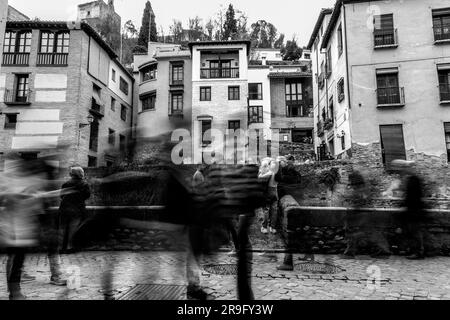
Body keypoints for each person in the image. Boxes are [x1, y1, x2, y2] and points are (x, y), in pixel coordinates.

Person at [394, 160, 426, 260]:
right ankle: (413, 250)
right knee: (412, 231)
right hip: (412, 209)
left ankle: (418, 252)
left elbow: (413, 196)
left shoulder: (414, 179)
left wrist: (405, 205)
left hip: (414, 210)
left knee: (415, 232)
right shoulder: (410, 179)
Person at [59, 166, 91, 253]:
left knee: (64, 228)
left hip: (65, 208)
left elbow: (61, 196)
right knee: (73, 229)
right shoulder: (84, 184)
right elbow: (87, 196)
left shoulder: (65, 184)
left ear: (71, 174)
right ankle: (70, 247)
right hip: (77, 209)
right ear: (81, 174)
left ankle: (62, 248)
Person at [259, 159, 280, 234]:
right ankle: (272, 227)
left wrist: (261, 172)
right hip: (275, 191)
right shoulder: (278, 173)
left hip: (268, 192)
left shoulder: (270, 173)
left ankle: (264, 227)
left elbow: (260, 178)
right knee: (274, 210)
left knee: (266, 210)